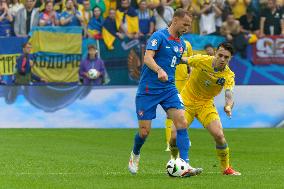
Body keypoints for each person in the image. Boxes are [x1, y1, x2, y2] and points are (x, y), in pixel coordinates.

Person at [128, 9, 202, 176]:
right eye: (185, 24)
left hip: (168, 88)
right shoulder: (158, 36)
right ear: (175, 20)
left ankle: (185, 164)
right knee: (144, 132)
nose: (187, 28)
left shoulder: (182, 44)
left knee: (181, 122)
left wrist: (197, 64)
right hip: (148, 91)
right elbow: (147, 58)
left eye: (189, 26)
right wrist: (159, 70)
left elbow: (177, 62)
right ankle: (135, 154)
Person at [171, 42, 241, 176]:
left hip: (206, 105)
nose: (222, 59)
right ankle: (174, 162)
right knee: (174, 136)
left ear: (230, 59)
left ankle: (226, 168)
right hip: (187, 102)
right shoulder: (202, 60)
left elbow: (229, 94)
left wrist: (228, 106)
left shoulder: (228, 75)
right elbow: (183, 60)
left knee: (219, 135)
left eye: (226, 57)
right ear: (215, 53)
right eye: (220, 55)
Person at [164, 31, 193, 152]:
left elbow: (191, 62)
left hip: (185, 83)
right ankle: (169, 142)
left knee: (184, 112)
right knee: (170, 113)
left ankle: (183, 138)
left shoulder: (187, 44)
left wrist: (191, 74)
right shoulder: (166, 44)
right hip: (172, 82)